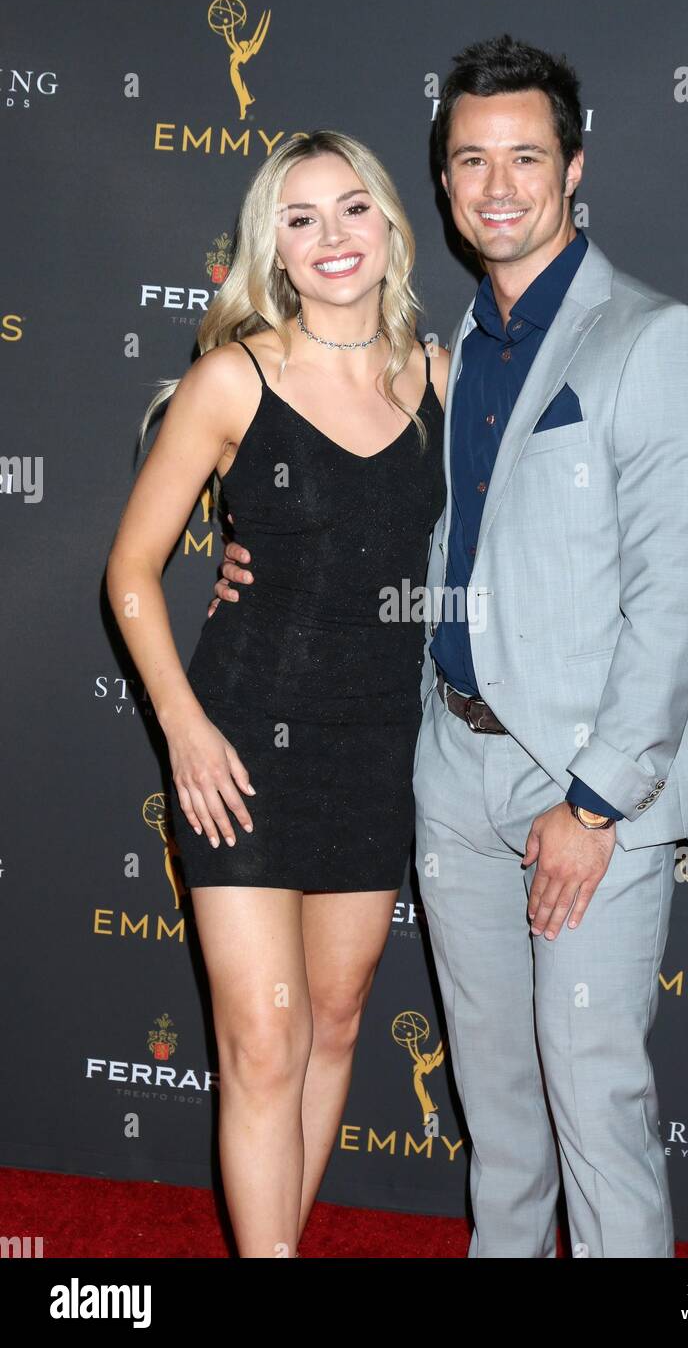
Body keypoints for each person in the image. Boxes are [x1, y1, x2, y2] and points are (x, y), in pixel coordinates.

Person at [214, 35, 688, 1259]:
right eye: (469, 161)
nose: (498, 186)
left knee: (592, 1106)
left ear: (573, 168)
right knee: (496, 1123)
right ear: (441, 187)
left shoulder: (654, 339)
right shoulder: (443, 353)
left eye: (525, 158)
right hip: (450, 777)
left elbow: (673, 603)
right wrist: (243, 556)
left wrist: (594, 800)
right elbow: (367, 507)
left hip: (588, 788)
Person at [106, 130, 448, 1258]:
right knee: (263, 1036)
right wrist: (185, 727)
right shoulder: (233, 379)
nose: (331, 237)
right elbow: (131, 573)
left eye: (351, 209)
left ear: (392, 226)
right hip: (242, 738)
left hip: (381, 745)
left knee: (336, 1020)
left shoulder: (441, 378)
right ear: (274, 250)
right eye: (300, 219)